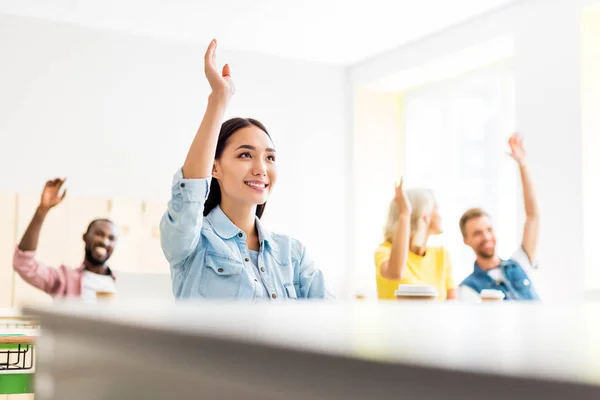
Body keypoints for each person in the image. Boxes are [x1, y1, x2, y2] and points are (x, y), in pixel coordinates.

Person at [160, 39, 332, 301]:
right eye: (245, 155)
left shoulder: (292, 254)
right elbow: (191, 190)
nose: (261, 168)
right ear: (214, 167)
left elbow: (329, 320)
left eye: (270, 157)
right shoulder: (192, 243)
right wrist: (219, 100)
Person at [458, 133, 540, 301]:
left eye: (489, 229)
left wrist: (522, 164)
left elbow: (533, 216)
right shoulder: (468, 289)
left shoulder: (519, 263)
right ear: (466, 240)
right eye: (477, 233)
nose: (486, 236)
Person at [13, 178, 118, 301]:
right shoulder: (64, 279)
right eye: (99, 234)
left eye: (111, 238)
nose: (104, 241)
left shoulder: (124, 284)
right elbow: (24, 264)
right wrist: (42, 210)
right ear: (85, 237)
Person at [374, 180, 456, 300]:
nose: (440, 215)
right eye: (436, 209)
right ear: (424, 215)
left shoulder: (442, 255)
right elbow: (396, 273)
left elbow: (452, 304)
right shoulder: (384, 251)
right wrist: (405, 214)